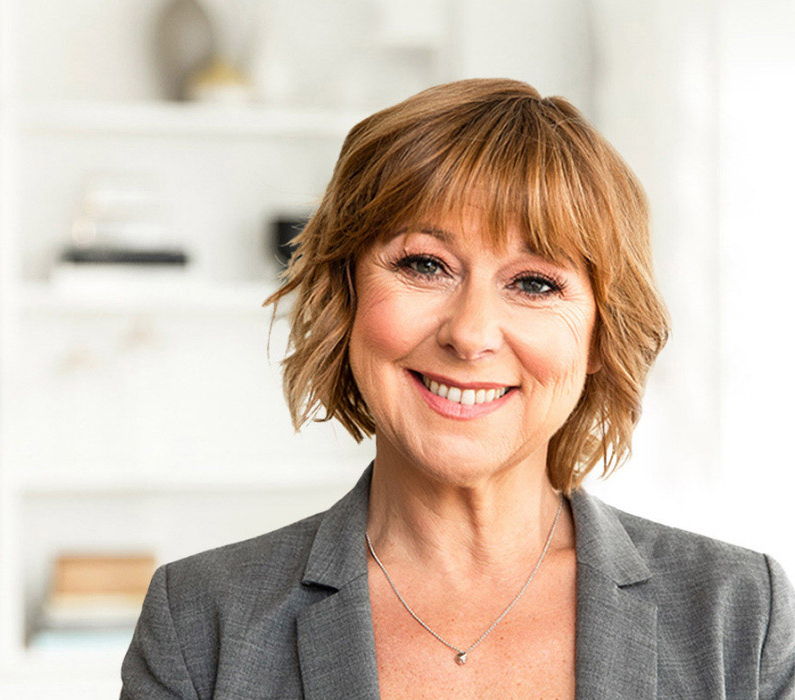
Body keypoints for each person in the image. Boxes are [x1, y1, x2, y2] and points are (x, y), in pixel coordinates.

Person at [120, 78, 795, 699]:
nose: (470, 334)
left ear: (598, 336)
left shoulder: (740, 616)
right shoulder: (200, 623)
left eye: (535, 283)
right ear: (345, 296)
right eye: (425, 265)